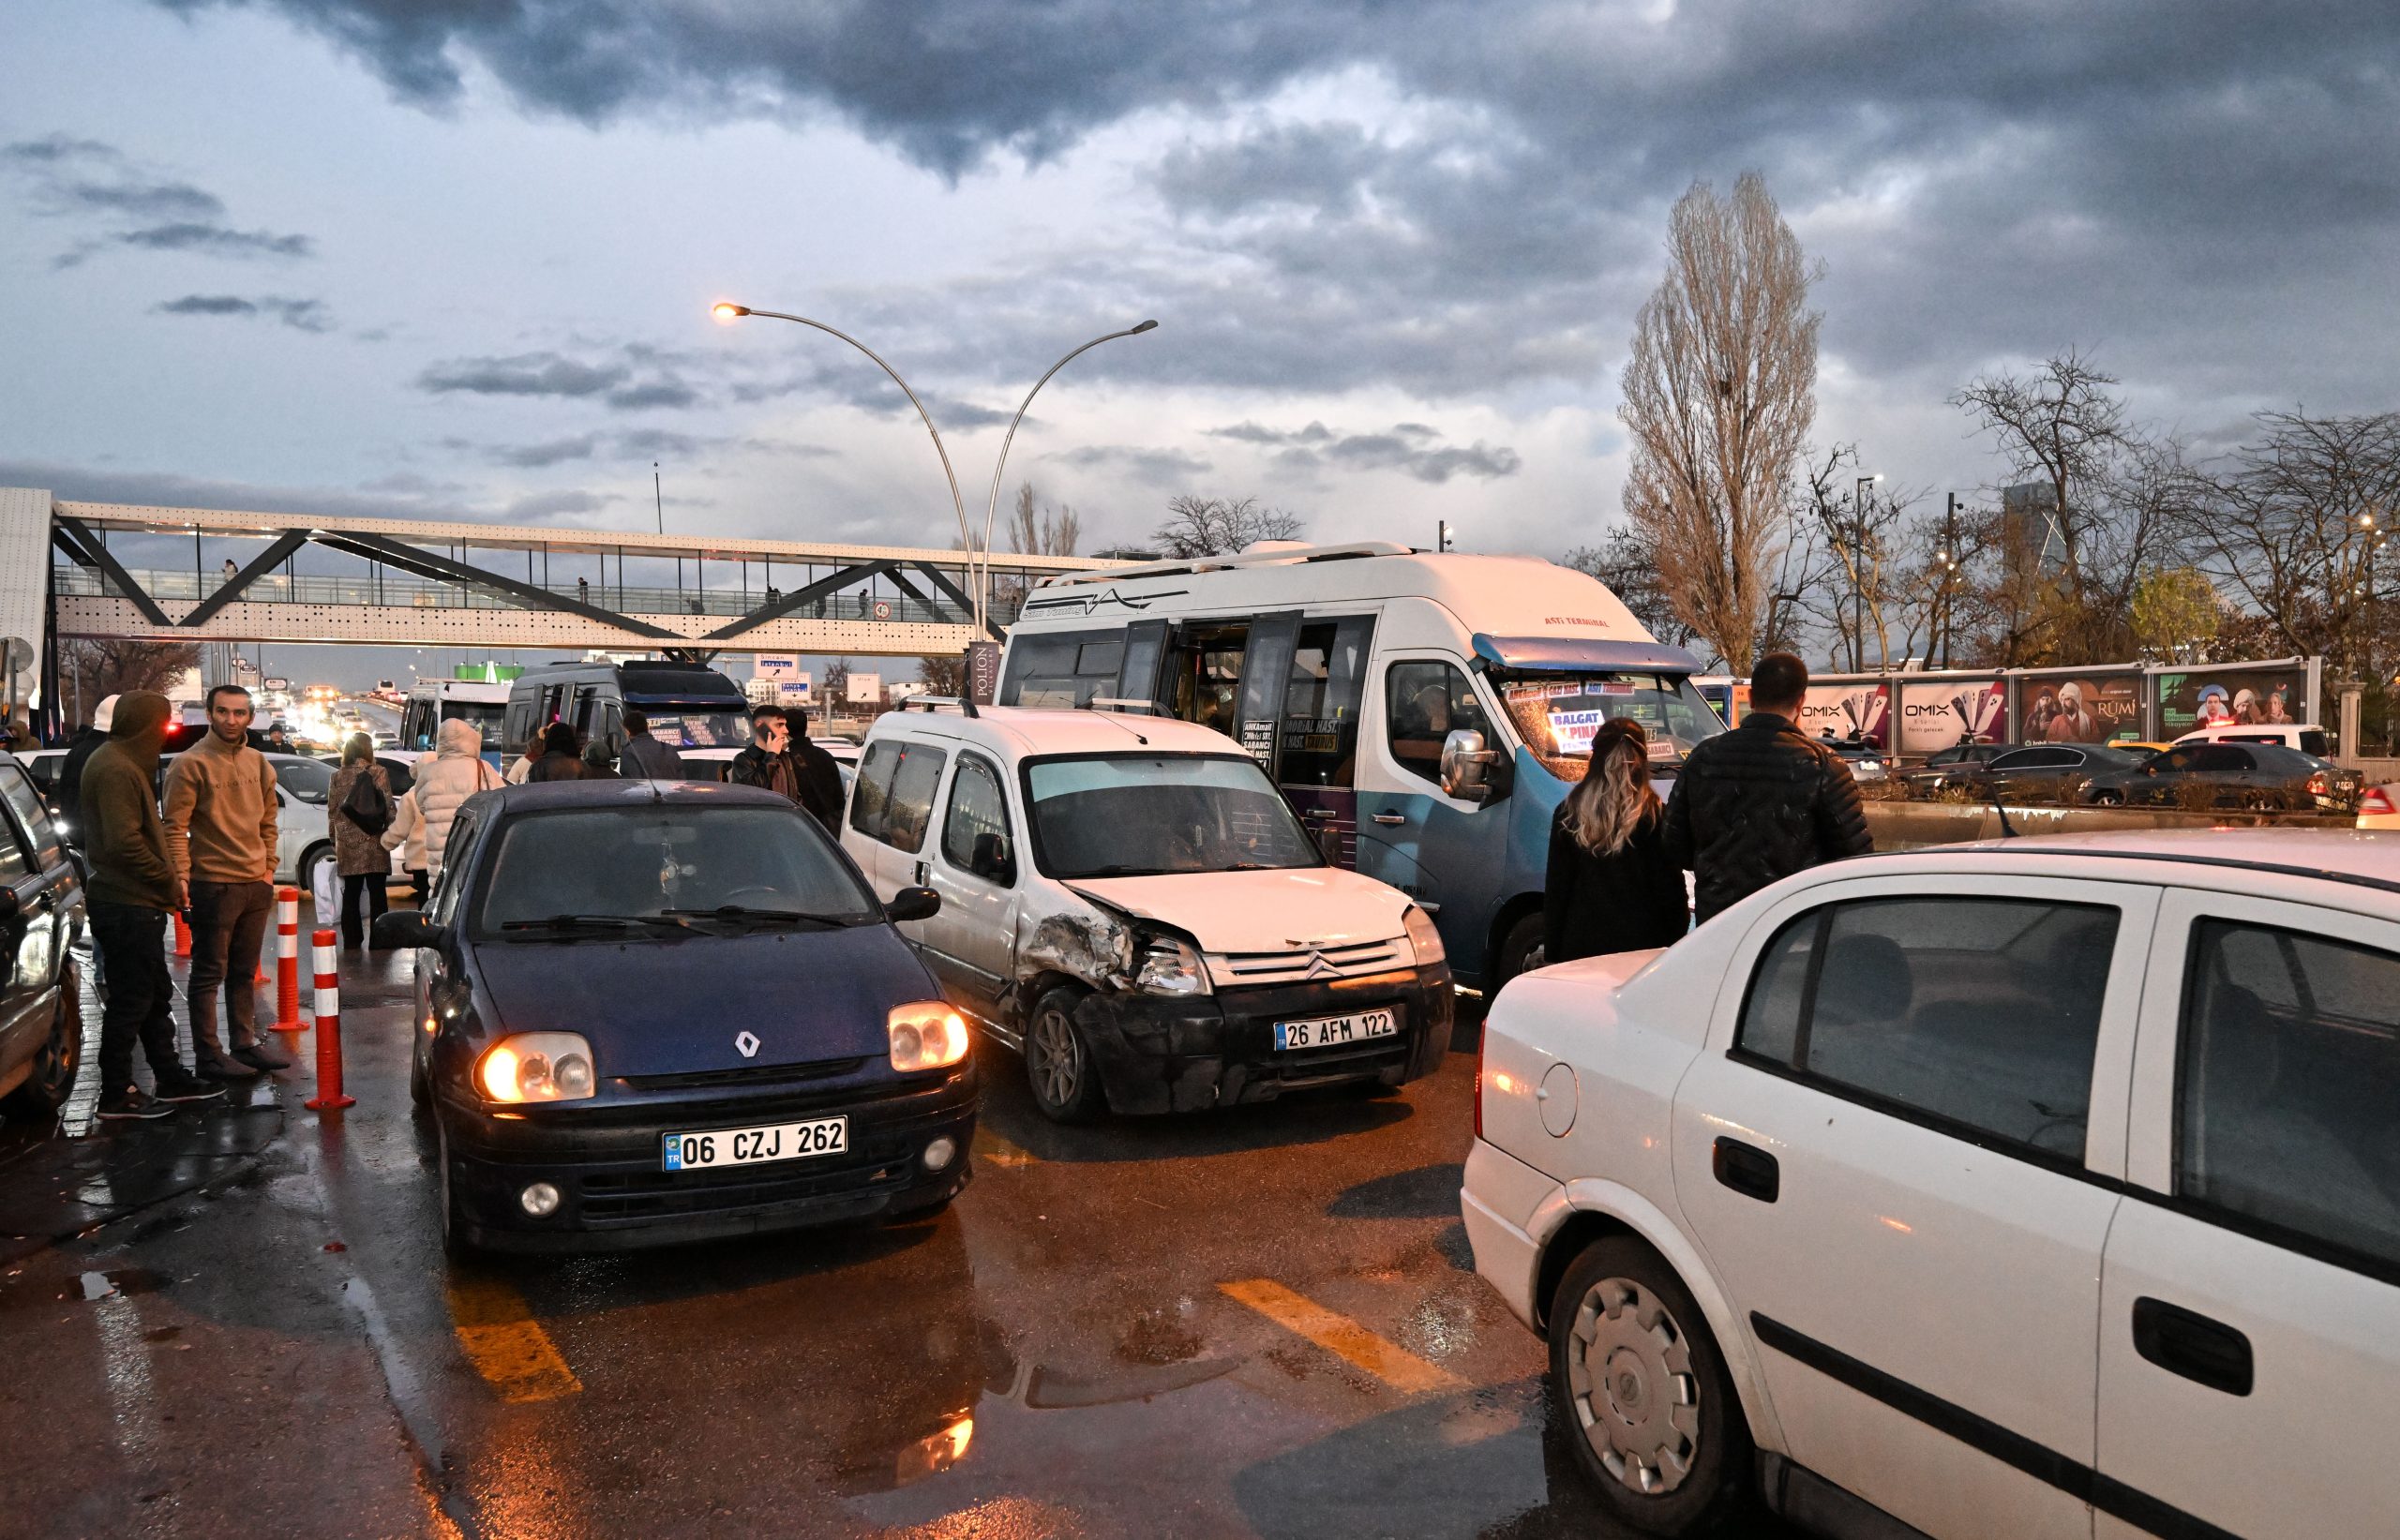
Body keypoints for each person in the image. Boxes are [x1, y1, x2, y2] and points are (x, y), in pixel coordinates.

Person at [79, 691, 223, 1118]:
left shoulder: (120, 762)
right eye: (162, 723)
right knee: (131, 1000)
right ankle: (115, 1092)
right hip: (125, 904)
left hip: (136, 903)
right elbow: (125, 844)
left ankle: (170, 1076)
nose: (165, 732)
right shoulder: (115, 768)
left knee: (154, 994)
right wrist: (166, 879)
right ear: (145, 725)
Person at [1663, 651, 1871, 924]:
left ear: (1750, 698)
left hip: (1718, 923)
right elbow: (1856, 861)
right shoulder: (1824, 765)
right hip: (1793, 926)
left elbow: (1673, 844)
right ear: (1801, 701)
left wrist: (1716, 869)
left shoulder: (1704, 757)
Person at [161, 683, 289, 1080]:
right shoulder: (190, 763)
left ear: (250, 717)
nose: (231, 720)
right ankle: (209, 1055)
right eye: (222, 712)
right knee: (208, 972)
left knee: (243, 971)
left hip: (255, 883)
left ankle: (245, 1045)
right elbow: (174, 826)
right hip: (212, 883)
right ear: (209, 714)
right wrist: (182, 875)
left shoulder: (258, 762)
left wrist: (268, 868)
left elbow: (268, 820)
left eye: (238, 713)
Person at [1543, 719, 1688, 965]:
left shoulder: (1569, 814)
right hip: (1640, 954)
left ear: (1595, 759)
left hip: (1580, 953)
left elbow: (1557, 893)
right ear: (1642, 762)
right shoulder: (1655, 816)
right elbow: (1670, 894)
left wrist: (1553, 956)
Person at [383, 718, 499, 887]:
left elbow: (422, 807)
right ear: (469, 740)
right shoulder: (481, 767)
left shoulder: (429, 772)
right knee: (471, 894)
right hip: (472, 847)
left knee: (439, 898)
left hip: (438, 854)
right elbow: (500, 800)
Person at [326, 734, 393, 949]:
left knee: (351, 894)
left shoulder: (337, 777)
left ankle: (352, 941)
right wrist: (390, 834)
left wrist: (334, 840)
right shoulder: (378, 772)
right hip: (374, 839)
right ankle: (380, 940)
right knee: (377, 893)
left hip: (347, 843)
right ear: (368, 750)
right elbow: (388, 806)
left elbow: (332, 811)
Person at [54, 695, 114, 844]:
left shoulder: (76, 751)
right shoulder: (111, 753)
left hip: (77, 832)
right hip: (104, 838)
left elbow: (64, 790)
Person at [729, 707, 800, 800]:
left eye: (785, 725)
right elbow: (753, 791)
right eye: (779, 725)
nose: (786, 731)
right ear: (760, 725)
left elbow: (795, 795)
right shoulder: (743, 759)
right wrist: (771, 756)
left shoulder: (785, 757)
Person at [616, 709, 688, 781]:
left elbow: (631, 785)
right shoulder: (669, 749)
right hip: (671, 792)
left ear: (627, 732)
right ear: (647, 728)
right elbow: (681, 782)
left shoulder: (629, 753)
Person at [525, 721, 591, 782]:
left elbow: (529, 791)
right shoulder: (583, 766)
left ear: (548, 741)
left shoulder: (538, 766)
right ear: (572, 741)